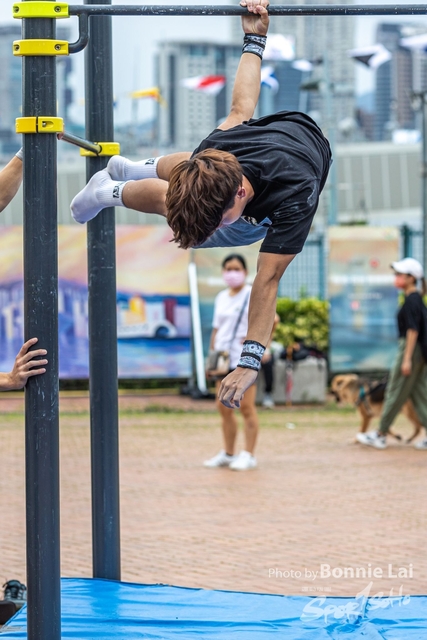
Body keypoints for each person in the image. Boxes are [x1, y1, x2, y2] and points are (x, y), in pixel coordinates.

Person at [70, 0, 332, 410]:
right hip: (258, 141)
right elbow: (241, 106)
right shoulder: (219, 148)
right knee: (184, 191)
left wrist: (249, 362)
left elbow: (266, 280)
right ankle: (119, 179)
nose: (215, 229)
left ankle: (113, 184)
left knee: (194, 229)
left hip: (304, 148)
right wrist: (254, 38)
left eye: (220, 219)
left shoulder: (295, 196)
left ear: (240, 195)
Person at [357, 258, 427, 450]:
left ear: (411, 278)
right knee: (420, 394)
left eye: (400, 274)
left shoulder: (412, 300)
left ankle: (380, 434)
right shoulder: (415, 299)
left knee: (395, 391)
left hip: (411, 350)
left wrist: (406, 359)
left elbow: (413, 330)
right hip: (418, 352)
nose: (396, 277)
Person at [204, 254, 258, 470]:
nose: (232, 273)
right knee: (223, 407)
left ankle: (249, 455)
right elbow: (216, 329)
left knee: (246, 407)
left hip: (243, 361)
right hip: (222, 360)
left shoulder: (252, 294)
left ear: (245, 272)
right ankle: (228, 453)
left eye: (236, 269)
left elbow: (272, 320)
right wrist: (211, 358)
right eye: (228, 269)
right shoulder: (221, 297)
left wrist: (260, 344)